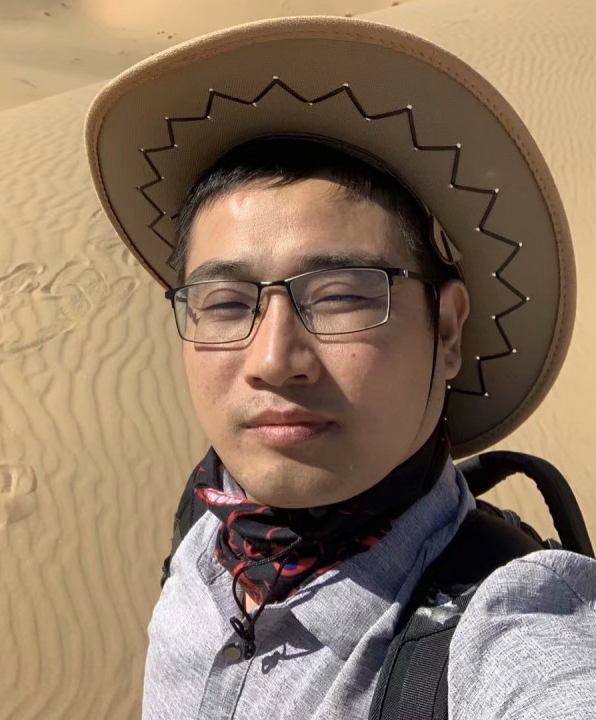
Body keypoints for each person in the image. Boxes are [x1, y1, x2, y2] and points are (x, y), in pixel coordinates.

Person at [84, 16, 596, 719]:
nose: (273, 361)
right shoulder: (206, 529)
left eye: (342, 297)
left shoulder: (513, 627)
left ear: (448, 330)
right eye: (226, 303)